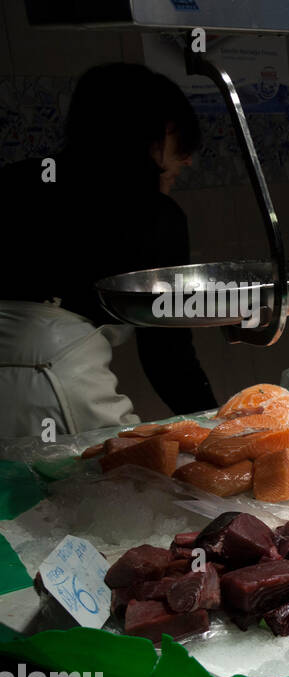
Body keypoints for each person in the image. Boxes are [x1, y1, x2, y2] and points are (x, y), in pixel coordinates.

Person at [0, 62, 217, 437]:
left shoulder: (14, 181)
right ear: (160, 132)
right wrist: (217, 428)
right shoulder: (154, 214)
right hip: (53, 385)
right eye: (181, 142)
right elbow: (166, 353)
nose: (187, 159)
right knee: (112, 486)